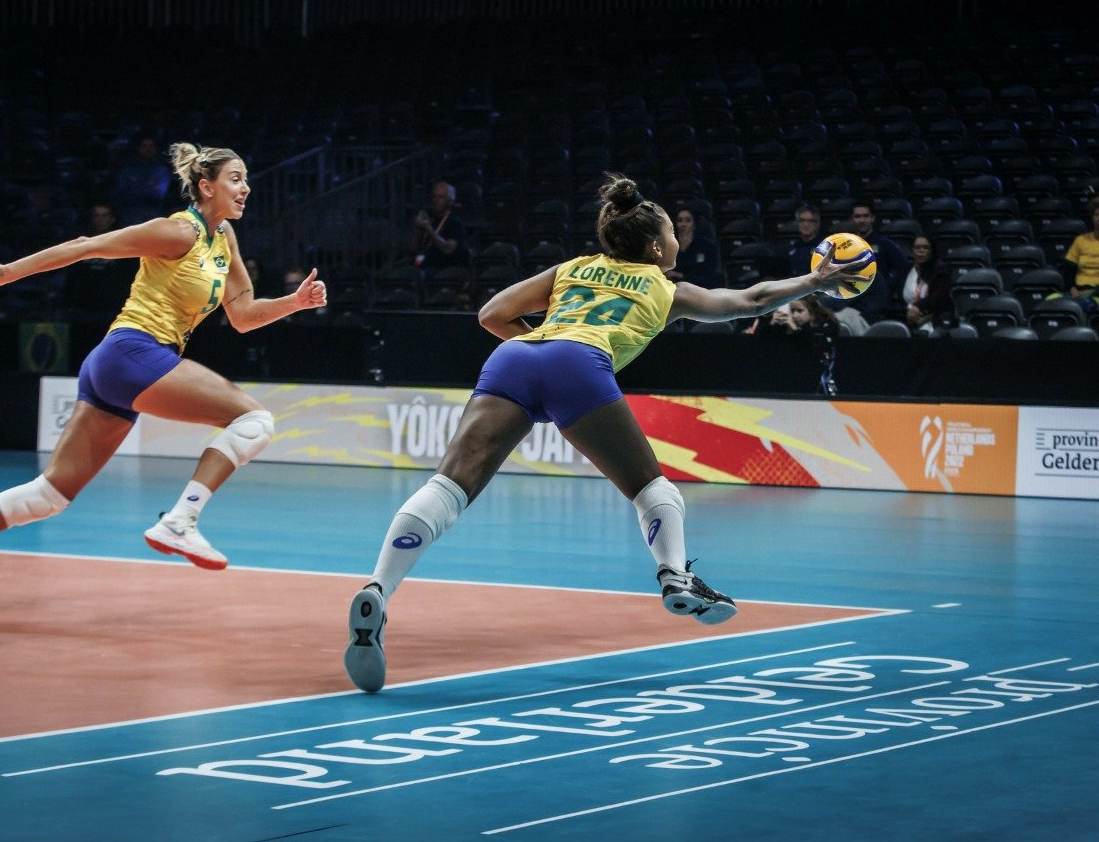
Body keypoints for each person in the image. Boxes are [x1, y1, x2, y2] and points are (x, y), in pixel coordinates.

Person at [342, 174, 869, 692]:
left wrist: (541, 357)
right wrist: (816, 282)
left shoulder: (574, 267)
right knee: (652, 490)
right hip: (581, 361)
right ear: (656, 247)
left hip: (517, 356)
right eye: (669, 231)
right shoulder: (668, 287)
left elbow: (491, 314)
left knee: (449, 487)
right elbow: (750, 301)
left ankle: (377, 589)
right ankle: (674, 577)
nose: (675, 239)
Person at [0, 143, 328, 621]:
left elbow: (244, 316)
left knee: (50, 495)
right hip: (133, 352)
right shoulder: (176, 231)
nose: (246, 187)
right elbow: (88, 246)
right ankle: (181, 520)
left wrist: (294, 302)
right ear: (206, 187)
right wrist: (8, 273)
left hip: (121, 365)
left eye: (246, 178)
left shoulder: (223, 239)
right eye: (235, 178)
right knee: (255, 420)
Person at [819, 201, 908, 328]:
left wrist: (888, 286)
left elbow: (904, 268)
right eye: (858, 216)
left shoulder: (884, 245)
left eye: (865, 216)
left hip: (867, 311)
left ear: (873, 218)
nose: (861, 220)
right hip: (853, 305)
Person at [63, 203, 139, 324]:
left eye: (104, 215)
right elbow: (72, 275)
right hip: (83, 306)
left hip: (113, 306)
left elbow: (129, 275)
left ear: (112, 219)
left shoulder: (123, 242)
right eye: (96, 215)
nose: (100, 220)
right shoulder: (81, 242)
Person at [1060, 195, 1099, 307]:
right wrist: (1073, 291)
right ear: (1092, 218)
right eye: (1096, 215)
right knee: (1051, 302)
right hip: (1077, 291)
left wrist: (1092, 292)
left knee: (1087, 306)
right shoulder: (1080, 240)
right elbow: (1068, 271)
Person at [113, 133, 173, 227]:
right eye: (144, 146)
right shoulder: (128, 169)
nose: (148, 149)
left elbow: (157, 195)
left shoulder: (162, 170)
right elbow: (121, 193)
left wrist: (135, 189)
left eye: (151, 146)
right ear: (138, 148)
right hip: (129, 216)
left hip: (153, 216)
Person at [411, 181, 469, 276]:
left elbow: (448, 249)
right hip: (422, 264)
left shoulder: (454, 222)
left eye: (441, 197)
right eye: (435, 197)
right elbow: (412, 249)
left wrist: (428, 229)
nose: (436, 200)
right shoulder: (429, 217)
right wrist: (418, 230)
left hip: (443, 268)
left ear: (450, 201)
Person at [901, 235, 953, 333]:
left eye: (925, 247)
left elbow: (940, 295)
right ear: (912, 251)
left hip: (934, 319)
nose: (921, 251)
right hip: (908, 319)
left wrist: (918, 307)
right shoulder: (906, 270)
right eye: (917, 247)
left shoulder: (941, 270)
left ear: (932, 251)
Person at [671, 206, 722, 288]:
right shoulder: (669, 247)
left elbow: (710, 277)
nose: (683, 224)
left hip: (702, 290)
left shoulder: (707, 246)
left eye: (688, 220)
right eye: (680, 221)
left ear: (694, 224)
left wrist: (681, 275)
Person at [785, 204, 823, 278]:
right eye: (802, 220)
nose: (806, 225)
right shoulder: (791, 247)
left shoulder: (824, 247)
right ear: (797, 223)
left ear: (818, 224)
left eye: (811, 221)